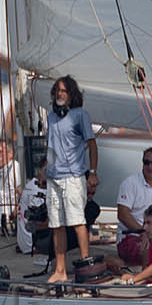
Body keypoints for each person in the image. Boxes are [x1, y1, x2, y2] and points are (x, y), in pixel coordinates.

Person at [44, 75, 96, 284]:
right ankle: (60, 269)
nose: (59, 93)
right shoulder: (51, 117)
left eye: (64, 90)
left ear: (71, 94)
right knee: (56, 224)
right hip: (53, 177)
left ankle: (85, 266)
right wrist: (44, 169)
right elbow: (50, 147)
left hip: (73, 177)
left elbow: (91, 144)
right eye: (57, 90)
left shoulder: (80, 115)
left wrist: (92, 172)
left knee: (77, 222)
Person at [115, 146, 152, 265]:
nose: (149, 167)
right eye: (146, 162)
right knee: (150, 250)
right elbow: (122, 214)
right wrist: (143, 232)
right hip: (131, 236)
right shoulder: (130, 183)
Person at [115, 204, 152, 284]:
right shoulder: (150, 244)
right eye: (144, 223)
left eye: (149, 223)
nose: (144, 228)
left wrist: (133, 279)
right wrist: (135, 277)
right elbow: (149, 274)